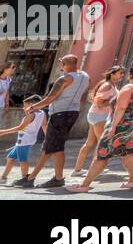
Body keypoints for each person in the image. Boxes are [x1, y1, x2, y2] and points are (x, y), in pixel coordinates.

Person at [66, 61, 133, 193]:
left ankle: (85, 185)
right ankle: (132, 180)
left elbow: (121, 108)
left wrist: (112, 127)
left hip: (122, 125)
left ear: (130, 73)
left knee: (102, 153)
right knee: (131, 152)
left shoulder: (128, 88)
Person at [17, 54, 89, 188]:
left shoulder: (64, 79)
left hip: (60, 114)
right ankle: (31, 177)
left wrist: (32, 107)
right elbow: (80, 77)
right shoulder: (84, 76)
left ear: (64, 64)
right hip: (73, 112)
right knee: (49, 146)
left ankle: (58, 178)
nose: (60, 64)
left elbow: (50, 98)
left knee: (56, 147)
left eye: (61, 62)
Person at [72, 65, 125, 176]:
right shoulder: (107, 86)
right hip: (99, 116)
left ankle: (77, 170)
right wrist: (115, 101)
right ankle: (96, 169)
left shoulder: (109, 85)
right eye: (120, 73)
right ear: (112, 74)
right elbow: (98, 101)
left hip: (96, 116)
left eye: (122, 73)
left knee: (90, 143)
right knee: (102, 144)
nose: (122, 75)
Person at [1, 95, 45, 183]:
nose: (23, 108)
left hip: (24, 141)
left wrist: (3, 131)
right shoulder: (42, 113)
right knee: (10, 157)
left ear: (32, 105)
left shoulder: (30, 116)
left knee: (22, 159)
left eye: (25, 106)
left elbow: (20, 128)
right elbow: (44, 124)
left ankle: (25, 178)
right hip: (25, 140)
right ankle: (3, 177)